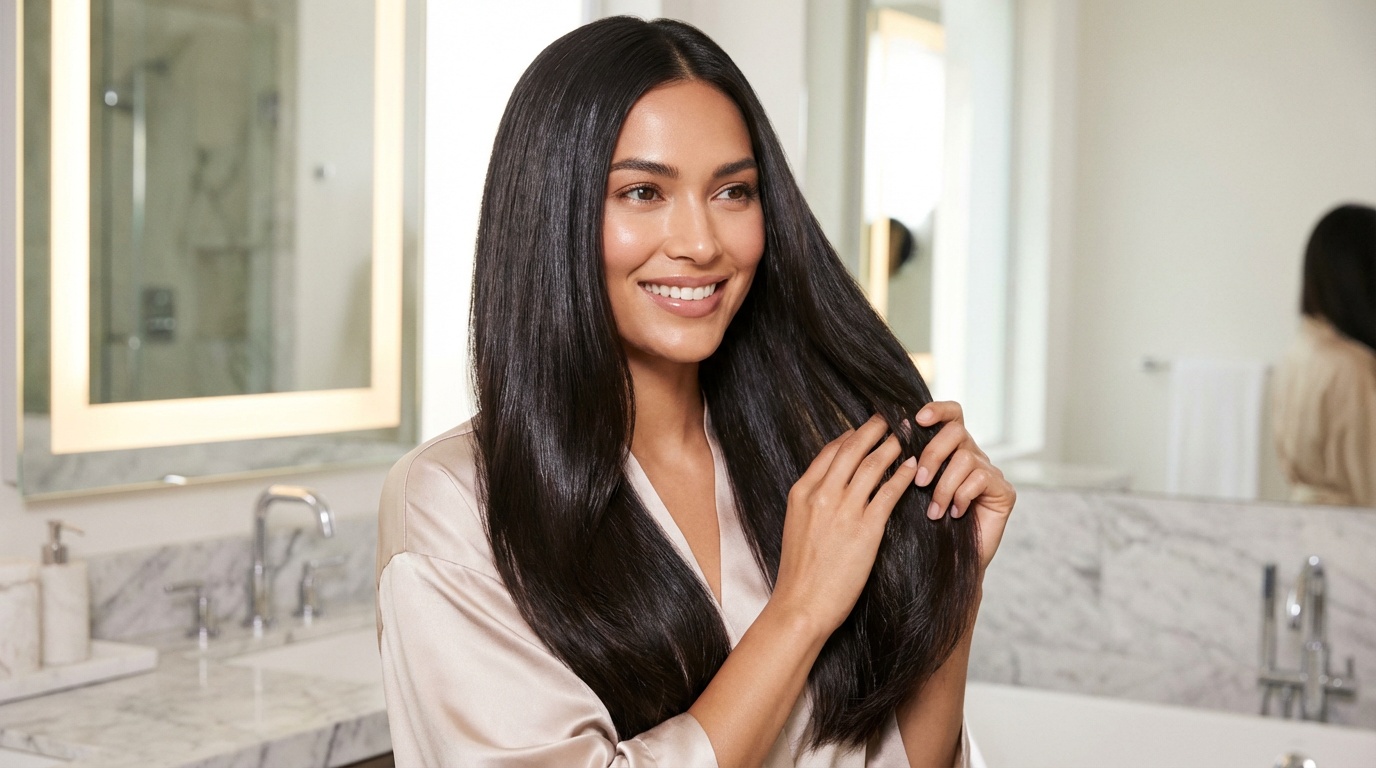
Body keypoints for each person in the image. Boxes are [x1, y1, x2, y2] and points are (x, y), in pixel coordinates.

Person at [376, 16, 1015, 767]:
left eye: (733, 192)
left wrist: (951, 584)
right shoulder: (460, 501)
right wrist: (800, 611)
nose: (702, 243)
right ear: (553, 211)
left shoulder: (813, 459)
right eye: (643, 191)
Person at [1273, 203, 1376, 507]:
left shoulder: (1300, 350)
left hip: (1307, 525)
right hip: (1351, 537)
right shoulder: (1348, 367)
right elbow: (1367, 487)